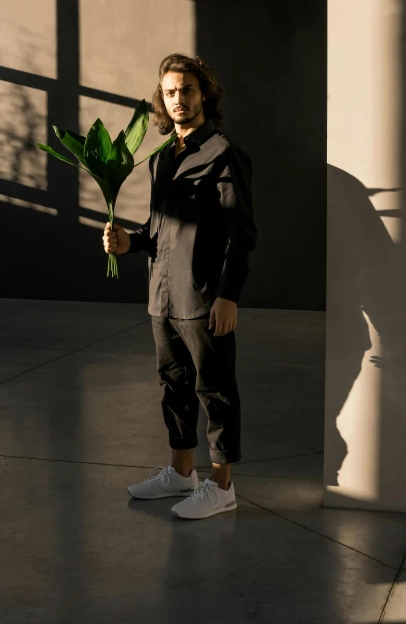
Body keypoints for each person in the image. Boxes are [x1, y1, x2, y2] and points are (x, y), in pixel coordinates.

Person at [102, 53, 257, 520]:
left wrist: (229, 294)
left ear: (204, 93)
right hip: (162, 295)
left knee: (215, 390)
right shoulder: (163, 157)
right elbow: (157, 230)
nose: (178, 99)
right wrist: (127, 241)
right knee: (174, 385)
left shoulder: (224, 153)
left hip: (204, 295)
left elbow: (242, 234)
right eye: (169, 92)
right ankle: (182, 473)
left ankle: (222, 486)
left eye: (186, 90)